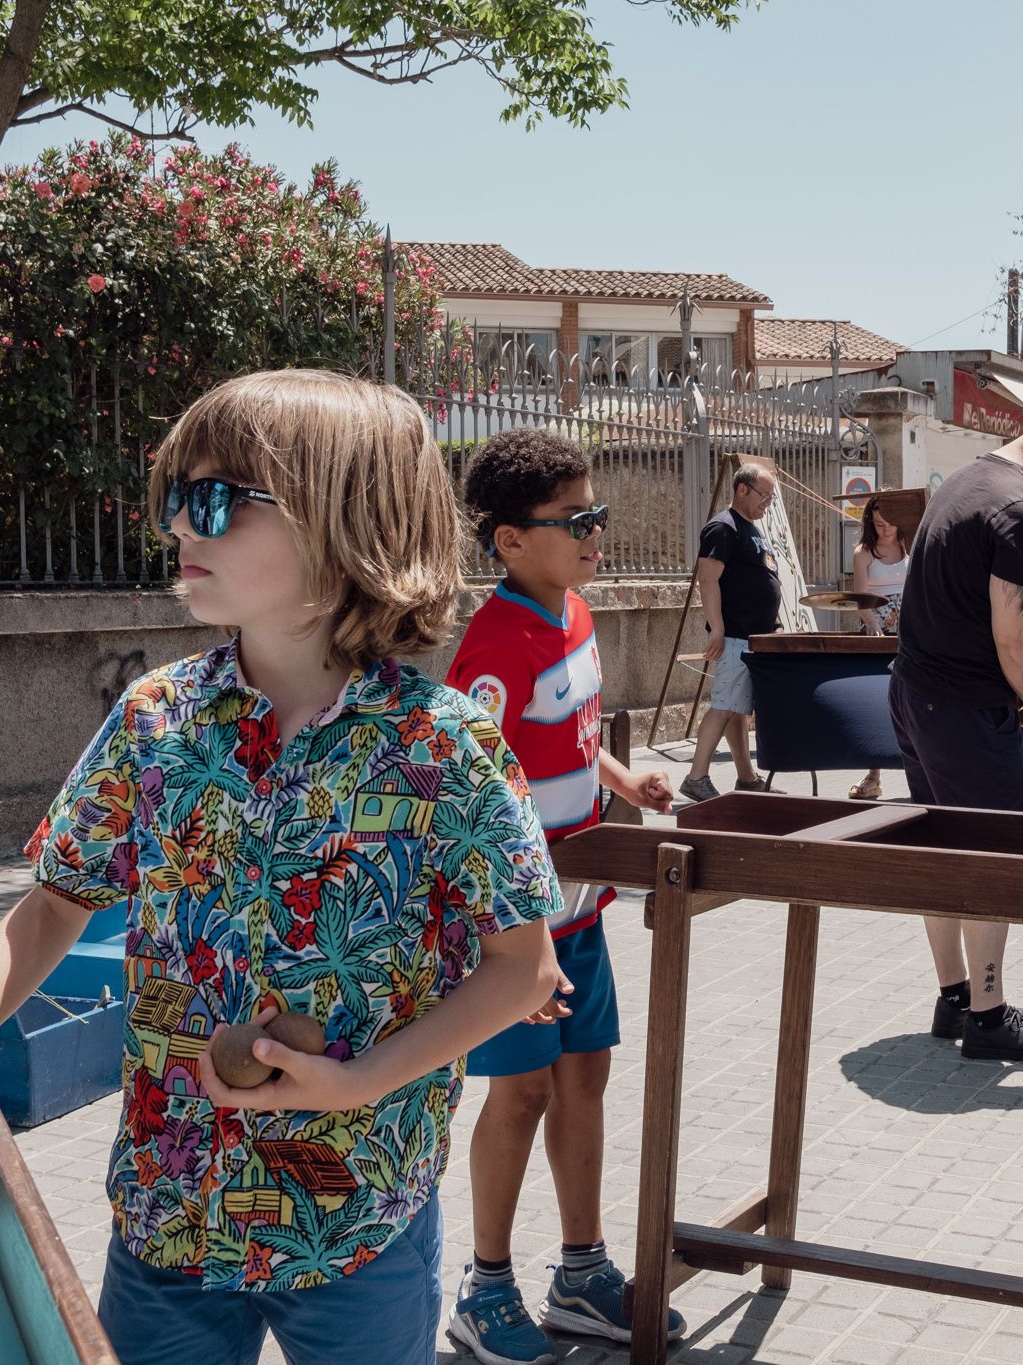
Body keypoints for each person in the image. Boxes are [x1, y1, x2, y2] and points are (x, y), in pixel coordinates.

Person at [0, 371, 569, 1365]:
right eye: (174, 495)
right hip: (170, 1217)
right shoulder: (154, 721)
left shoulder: (444, 746)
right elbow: (53, 906)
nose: (180, 522)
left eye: (215, 499)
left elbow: (519, 970)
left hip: (360, 1223)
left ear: (341, 519)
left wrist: (358, 1084)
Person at [445, 428, 679, 1365]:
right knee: (523, 1089)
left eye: (597, 515)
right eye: (574, 520)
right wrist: (516, 942)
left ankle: (581, 1275)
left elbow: (573, 735)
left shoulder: (574, 610)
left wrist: (625, 784)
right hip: (516, 924)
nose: (594, 533)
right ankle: (484, 1286)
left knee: (586, 1075)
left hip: (582, 904)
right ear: (508, 540)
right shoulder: (494, 646)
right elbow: (472, 788)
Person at [891, 394, 1023, 1062]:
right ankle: (987, 1017)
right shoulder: (1022, 511)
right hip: (962, 708)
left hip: (913, 693)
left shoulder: (964, 478)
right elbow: (1015, 634)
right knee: (995, 858)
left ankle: (954, 995)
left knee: (941, 849)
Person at [680, 463, 782, 803]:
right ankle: (696, 777)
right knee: (723, 706)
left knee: (738, 710)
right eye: (763, 495)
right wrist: (718, 628)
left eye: (770, 496)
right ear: (742, 489)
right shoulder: (723, 527)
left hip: (752, 635)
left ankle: (746, 777)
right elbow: (708, 579)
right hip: (736, 634)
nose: (767, 502)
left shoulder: (750, 528)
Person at [847, 497, 911, 801]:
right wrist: (872, 624)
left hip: (911, 625)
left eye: (889, 523)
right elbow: (861, 597)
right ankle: (873, 775)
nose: (885, 530)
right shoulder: (864, 553)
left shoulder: (910, 544)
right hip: (878, 625)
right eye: (878, 524)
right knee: (878, 697)